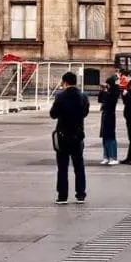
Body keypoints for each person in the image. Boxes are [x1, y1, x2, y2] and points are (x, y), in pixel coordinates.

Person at [50, 71, 90, 204]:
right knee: (79, 165)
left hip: (62, 134)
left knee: (62, 166)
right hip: (78, 134)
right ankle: (80, 194)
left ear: (64, 82)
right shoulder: (83, 96)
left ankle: (62, 196)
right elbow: (85, 113)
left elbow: (53, 114)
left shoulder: (60, 96)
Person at [98, 75, 120, 165]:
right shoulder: (108, 92)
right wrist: (102, 90)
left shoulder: (114, 92)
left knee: (110, 136)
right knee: (104, 136)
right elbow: (100, 100)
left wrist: (106, 91)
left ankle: (113, 157)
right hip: (105, 114)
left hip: (110, 115)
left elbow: (110, 100)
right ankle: (106, 156)